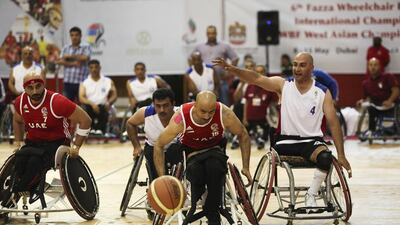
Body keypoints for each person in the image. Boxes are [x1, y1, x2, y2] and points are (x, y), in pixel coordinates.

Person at [213, 52, 352, 211]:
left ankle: (311, 194)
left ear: (312, 68)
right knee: (311, 152)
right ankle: (310, 195)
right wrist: (232, 69)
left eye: (302, 65)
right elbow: (256, 78)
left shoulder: (322, 92)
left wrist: (341, 155)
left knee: (326, 157)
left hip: (311, 143)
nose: (297, 68)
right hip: (285, 142)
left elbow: (334, 124)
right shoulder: (283, 85)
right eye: (295, 64)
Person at [154, 91, 252, 225]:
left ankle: (212, 211)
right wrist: (162, 177)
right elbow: (159, 144)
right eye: (203, 111)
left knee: (215, 167)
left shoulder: (224, 113)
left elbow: (243, 134)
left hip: (215, 150)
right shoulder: (181, 118)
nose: (207, 116)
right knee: (196, 171)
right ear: (195, 105)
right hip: (192, 153)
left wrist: (246, 167)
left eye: (211, 112)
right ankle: (202, 199)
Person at [7, 72, 91, 205]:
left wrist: (76, 146)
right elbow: (17, 121)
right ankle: (14, 193)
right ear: (24, 88)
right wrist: (18, 142)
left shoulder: (57, 101)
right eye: (30, 88)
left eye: (38, 86)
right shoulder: (20, 101)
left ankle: (23, 189)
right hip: (33, 142)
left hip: (57, 142)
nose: (35, 91)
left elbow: (85, 120)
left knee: (35, 161)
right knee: (19, 159)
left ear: (43, 85)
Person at [126, 88, 182, 182]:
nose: (162, 110)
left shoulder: (180, 114)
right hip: (152, 148)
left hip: (175, 149)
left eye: (165, 105)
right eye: (158, 106)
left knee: (177, 149)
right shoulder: (145, 113)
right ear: (153, 104)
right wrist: (136, 146)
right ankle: (159, 185)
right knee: (150, 153)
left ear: (173, 103)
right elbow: (130, 123)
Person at [191, 25, 239, 105]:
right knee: (206, 105)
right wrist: (194, 72)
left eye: (213, 33)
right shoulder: (199, 47)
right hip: (205, 82)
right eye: (209, 33)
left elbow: (235, 58)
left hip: (222, 81)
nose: (211, 35)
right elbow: (191, 58)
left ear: (216, 33)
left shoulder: (224, 46)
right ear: (206, 34)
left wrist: (229, 72)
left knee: (225, 105)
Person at [357, 57, 399, 136]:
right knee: (369, 108)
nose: (373, 67)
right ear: (368, 67)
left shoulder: (388, 77)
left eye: (375, 65)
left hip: (391, 106)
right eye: (371, 65)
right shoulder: (365, 83)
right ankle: (371, 131)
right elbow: (366, 98)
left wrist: (390, 100)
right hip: (376, 107)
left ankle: (393, 130)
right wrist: (361, 101)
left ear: (380, 66)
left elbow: (396, 90)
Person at [79, 59, 117, 135]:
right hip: (89, 105)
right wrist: (92, 104)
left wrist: (109, 102)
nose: (94, 69)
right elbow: (81, 97)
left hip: (103, 106)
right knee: (85, 109)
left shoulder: (108, 81)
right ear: (89, 69)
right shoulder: (84, 82)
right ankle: (91, 129)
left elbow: (114, 95)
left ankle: (101, 130)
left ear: (100, 68)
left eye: (96, 67)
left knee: (104, 109)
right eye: (91, 67)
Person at [243, 65, 276, 150]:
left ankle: (261, 139)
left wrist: (274, 120)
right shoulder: (250, 86)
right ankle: (256, 137)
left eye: (261, 72)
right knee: (242, 136)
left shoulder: (270, 87)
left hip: (263, 119)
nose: (259, 74)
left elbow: (273, 105)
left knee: (264, 133)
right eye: (257, 72)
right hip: (250, 119)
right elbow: (246, 102)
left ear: (265, 73)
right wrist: (244, 118)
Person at [57, 26, 91, 101]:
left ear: (80, 36)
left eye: (76, 35)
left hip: (82, 82)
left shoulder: (86, 46)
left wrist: (68, 56)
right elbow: (59, 61)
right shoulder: (66, 48)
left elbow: (85, 58)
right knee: (67, 106)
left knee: (83, 106)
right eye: (72, 35)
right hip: (68, 82)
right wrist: (73, 63)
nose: (74, 37)